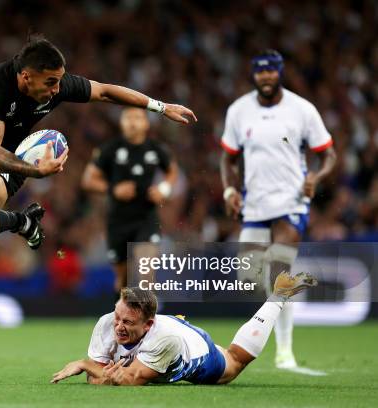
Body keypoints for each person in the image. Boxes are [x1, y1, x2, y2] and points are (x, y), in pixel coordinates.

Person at [0, 35, 196, 350]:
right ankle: (20, 223)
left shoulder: (57, 85)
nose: (57, 89)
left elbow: (105, 91)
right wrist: (39, 172)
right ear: (26, 76)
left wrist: (161, 107)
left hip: (11, 164)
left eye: (59, 81)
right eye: (50, 82)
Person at [219, 49, 336, 370]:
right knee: (249, 275)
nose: (266, 76)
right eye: (260, 71)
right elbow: (228, 158)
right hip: (255, 204)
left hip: (291, 202)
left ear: (280, 72)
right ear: (253, 75)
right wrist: (230, 189)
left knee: (279, 274)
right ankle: (276, 331)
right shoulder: (239, 111)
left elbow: (329, 154)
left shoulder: (302, 109)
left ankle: (285, 353)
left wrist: (316, 176)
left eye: (271, 70)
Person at [51, 273, 317, 385]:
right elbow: (98, 379)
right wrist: (96, 371)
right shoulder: (107, 322)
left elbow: (130, 380)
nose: (118, 326)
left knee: (234, 361)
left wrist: (85, 364)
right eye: (118, 318)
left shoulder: (165, 338)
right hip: (169, 326)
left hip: (195, 352)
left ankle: (278, 296)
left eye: (128, 322)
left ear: (148, 324)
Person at [82, 107, 177, 296]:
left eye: (138, 118)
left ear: (146, 123)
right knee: (123, 283)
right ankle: (122, 318)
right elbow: (88, 180)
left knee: (145, 273)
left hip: (146, 217)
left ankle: (146, 323)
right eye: (128, 117)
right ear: (121, 123)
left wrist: (163, 189)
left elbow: (172, 171)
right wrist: (113, 189)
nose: (133, 122)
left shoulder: (156, 149)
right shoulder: (110, 149)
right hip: (118, 221)